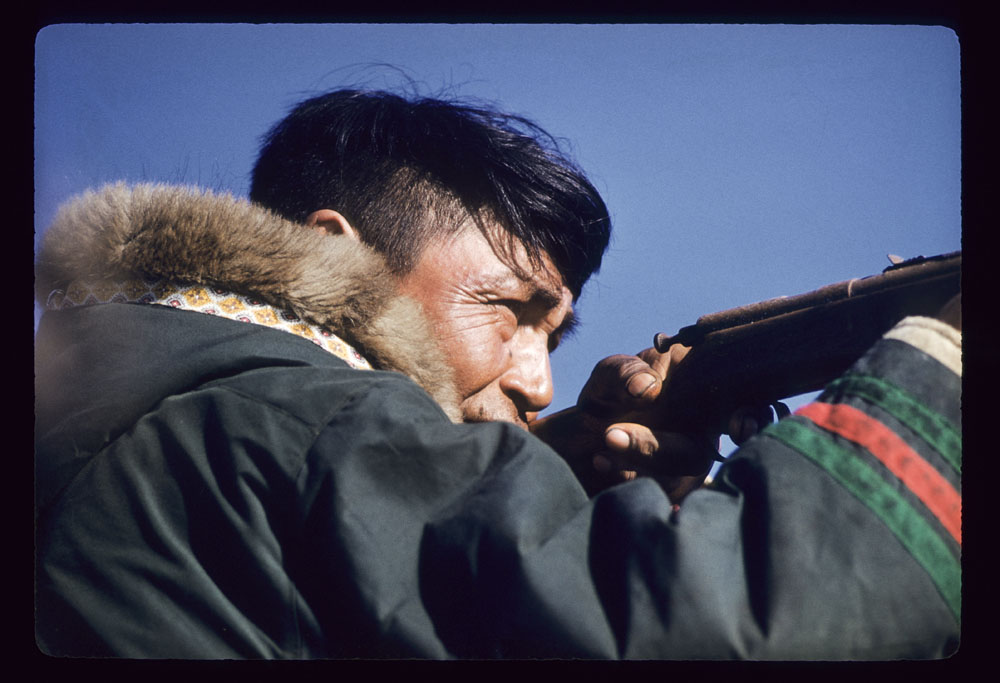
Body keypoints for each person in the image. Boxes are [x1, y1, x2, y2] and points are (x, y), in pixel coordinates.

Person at [34, 89, 961, 659]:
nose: (539, 384)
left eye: (554, 336)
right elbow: (730, 624)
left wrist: (567, 495)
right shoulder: (303, 419)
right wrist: (946, 376)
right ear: (336, 257)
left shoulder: (156, 421)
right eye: (510, 310)